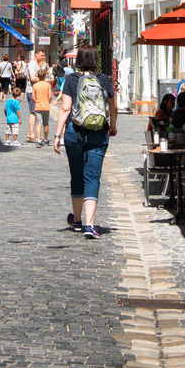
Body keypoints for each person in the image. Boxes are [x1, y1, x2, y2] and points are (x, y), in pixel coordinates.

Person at [53, 44, 118, 239]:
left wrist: (57, 136)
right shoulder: (104, 79)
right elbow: (113, 107)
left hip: (75, 133)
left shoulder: (72, 80)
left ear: (79, 60)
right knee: (93, 177)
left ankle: (78, 220)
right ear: (96, 60)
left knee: (77, 175)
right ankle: (90, 225)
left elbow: (65, 109)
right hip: (99, 132)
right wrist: (113, 126)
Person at [31, 58, 55, 148]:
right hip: (46, 106)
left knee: (39, 123)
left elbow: (33, 97)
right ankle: (45, 139)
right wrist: (47, 102)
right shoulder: (48, 85)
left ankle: (38, 140)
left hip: (38, 106)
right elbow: (50, 97)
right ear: (45, 76)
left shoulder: (35, 85)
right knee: (46, 124)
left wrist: (37, 101)